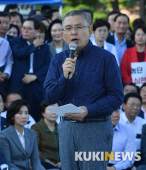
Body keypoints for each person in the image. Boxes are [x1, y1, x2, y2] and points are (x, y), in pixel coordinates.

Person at [43, 10, 124, 169]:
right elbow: (49, 96)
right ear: (63, 34)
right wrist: (64, 77)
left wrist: (88, 110)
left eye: (79, 27)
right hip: (67, 128)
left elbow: (116, 97)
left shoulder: (105, 58)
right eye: (68, 28)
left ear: (90, 31)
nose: (73, 32)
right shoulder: (58, 60)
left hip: (96, 127)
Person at [10, 18, 51, 122]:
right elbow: (18, 53)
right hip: (19, 84)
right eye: (23, 28)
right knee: (16, 114)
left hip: (36, 85)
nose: (25, 31)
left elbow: (48, 65)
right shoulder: (16, 41)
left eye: (29, 28)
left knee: (34, 115)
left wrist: (35, 76)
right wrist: (34, 45)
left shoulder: (44, 47)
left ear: (36, 31)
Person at [0, 99, 45, 170]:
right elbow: (8, 162)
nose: (24, 116)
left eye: (26, 113)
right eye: (20, 113)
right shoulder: (4, 135)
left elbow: (35, 161)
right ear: (12, 116)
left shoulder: (32, 133)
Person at [31, 100, 61, 169]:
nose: (54, 112)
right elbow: (35, 149)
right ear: (43, 113)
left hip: (61, 164)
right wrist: (47, 161)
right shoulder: (36, 128)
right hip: (43, 164)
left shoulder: (61, 128)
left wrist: (63, 161)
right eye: (50, 110)